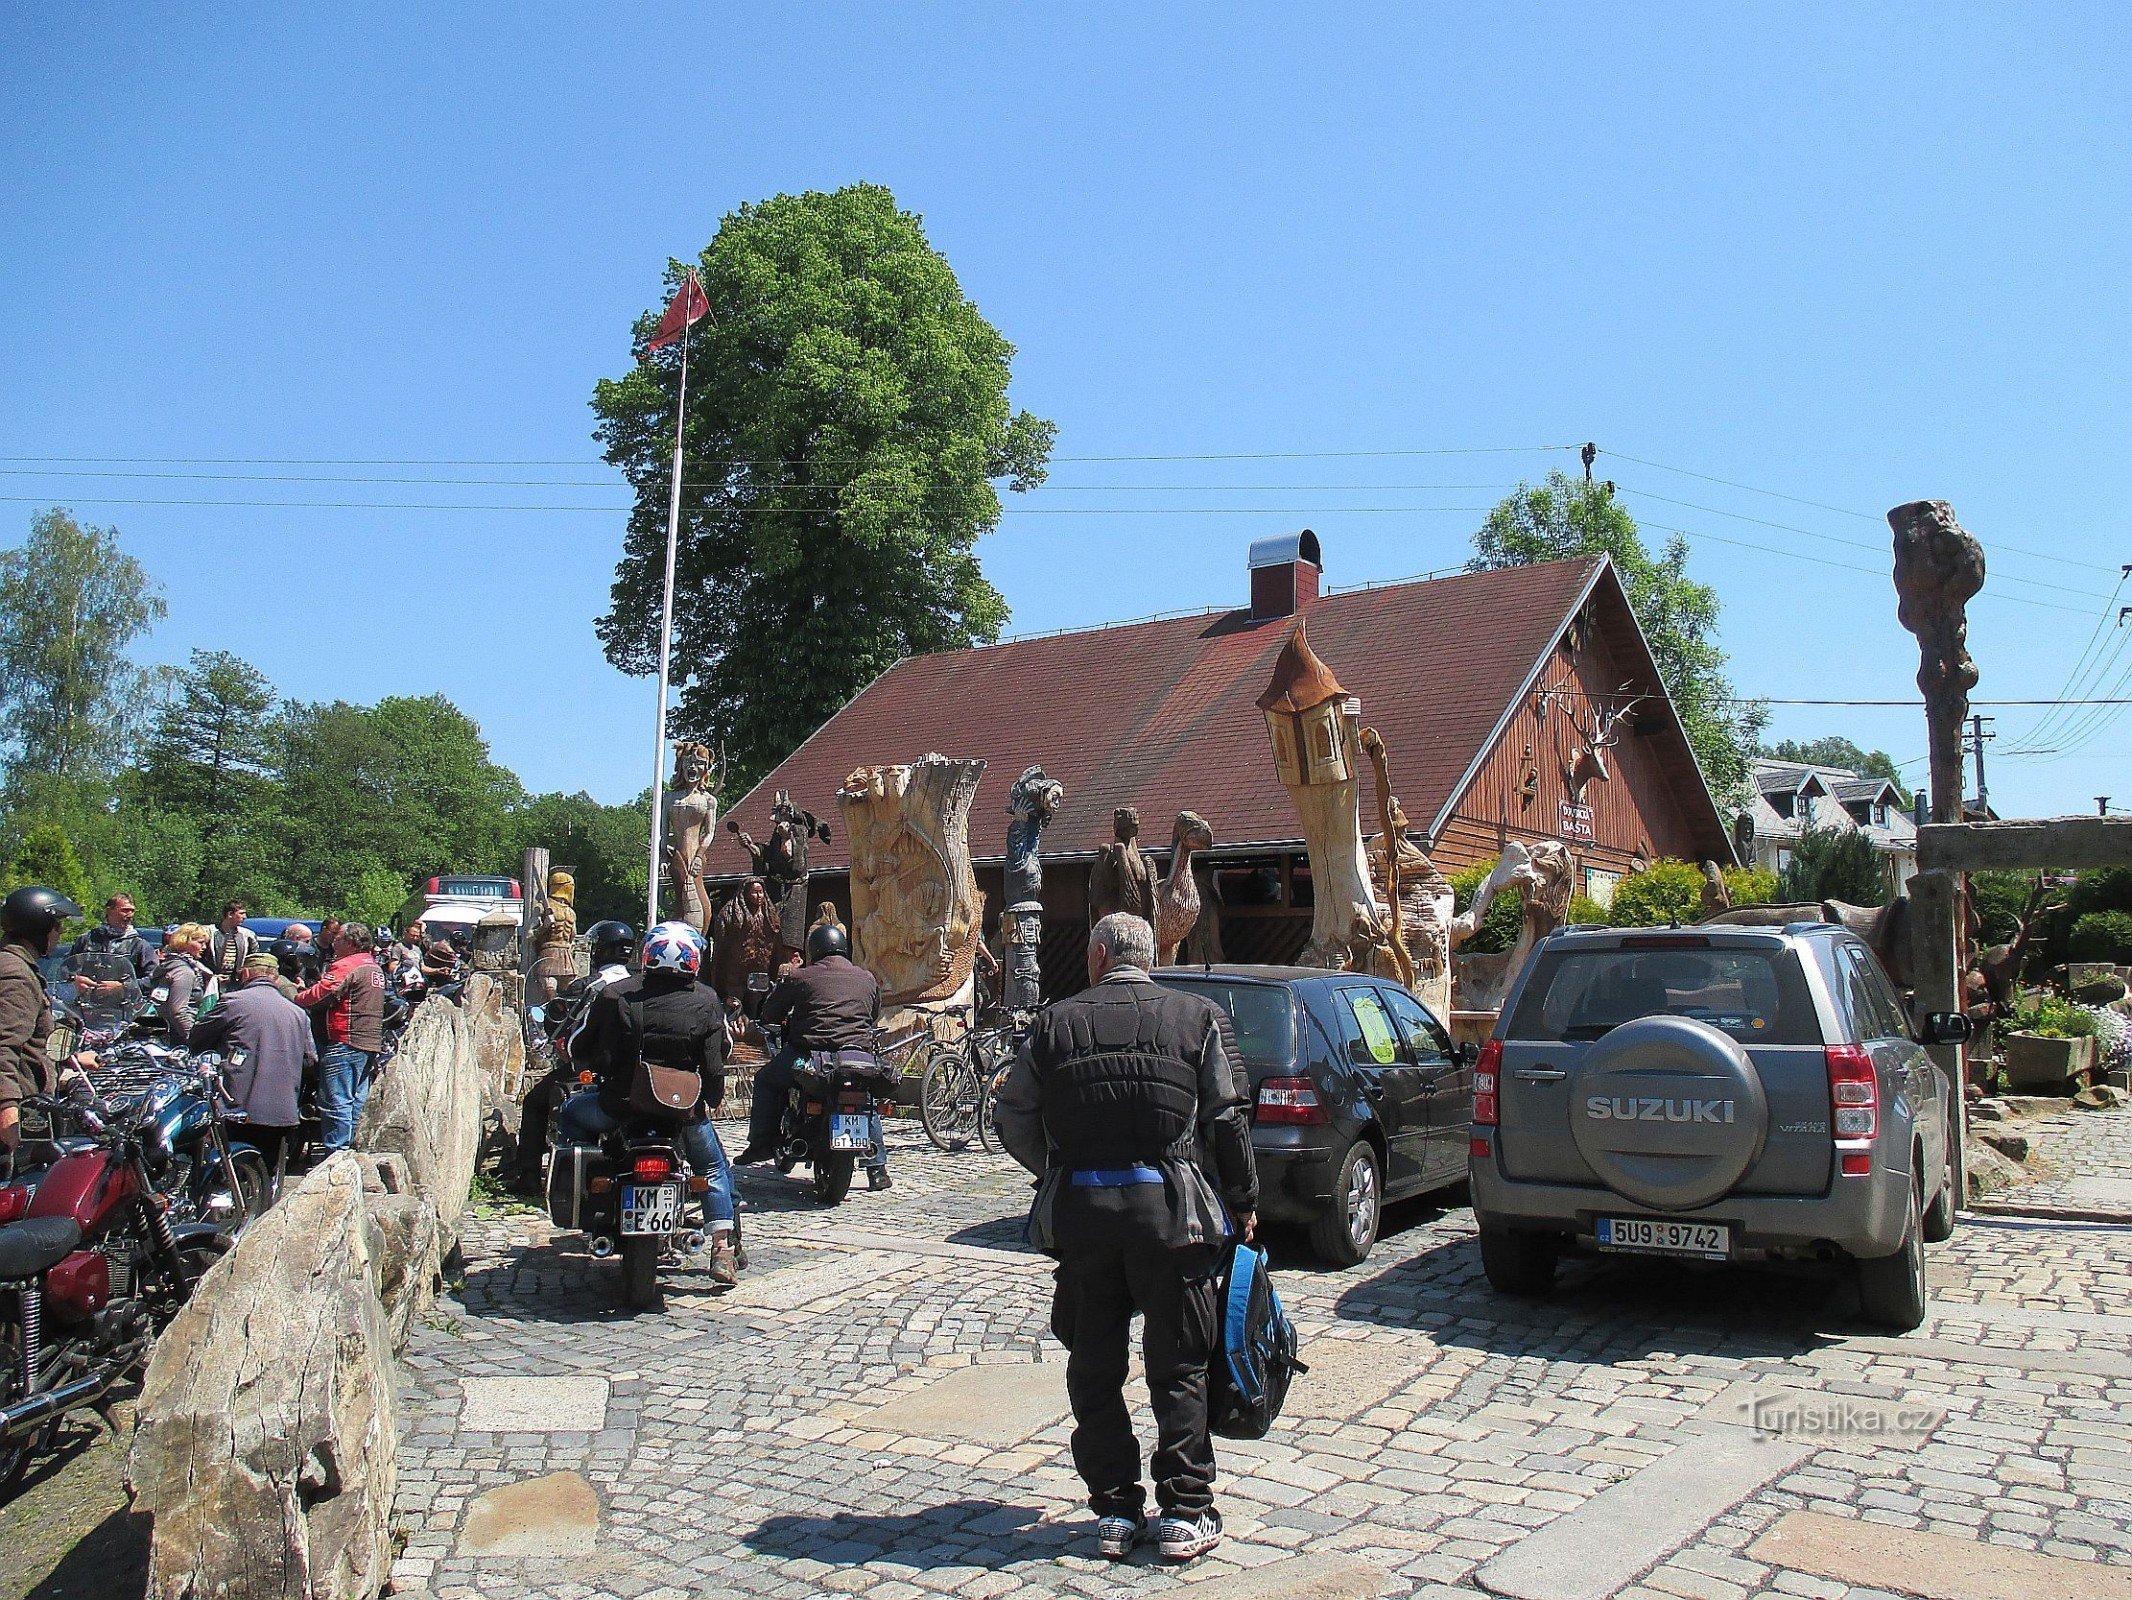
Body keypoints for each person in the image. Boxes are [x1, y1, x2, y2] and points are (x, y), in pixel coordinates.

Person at [990, 912, 1259, 1565]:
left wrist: (1054, 1173)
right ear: (1149, 953)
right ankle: (1185, 1513)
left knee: (1093, 1369)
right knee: (1181, 1368)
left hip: (1085, 1220)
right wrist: (1244, 1199)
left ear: (1100, 956)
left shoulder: (1053, 1024)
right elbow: (1228, 1117)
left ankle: (1114, 1510)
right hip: (1173, 1218)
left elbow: (1011, 1115)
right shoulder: (1195, 1017)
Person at [557, 923, 740, 1286]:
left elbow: (581, 1046)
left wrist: (597, 1065)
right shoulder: (706, 1000)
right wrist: (709, 1101)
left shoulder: (616, 994)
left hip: (619, 1107)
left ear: (647, 955)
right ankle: (722, 1247)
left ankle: (586, 1200)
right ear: (694, 960)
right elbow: (716, 1062)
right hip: (682, 1112)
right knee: (713, 1167)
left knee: (571, 1114)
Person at [737, 921, 891, 1190]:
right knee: (863, 1095)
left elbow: (771, 1013)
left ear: (814, 949)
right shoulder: (866, 978)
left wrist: (769, 1015)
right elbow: (873, 1013)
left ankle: (761, 1144)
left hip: (809, 1056)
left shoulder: (801, 977)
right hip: (857, 1056)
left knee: (766, 1080)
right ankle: (877, 1169)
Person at [513, 919, 635, 1194]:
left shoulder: (590, 986)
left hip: (591, 1067)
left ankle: (530, 1176)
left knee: (535, 1102)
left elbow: (561, 1024)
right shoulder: (637, 985)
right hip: (634, 1072)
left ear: (600, 950)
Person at [187, 952, 314, 1184]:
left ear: (245, 974)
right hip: (282, 1110)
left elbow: (196, 1039)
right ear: (275, 979)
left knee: (225, 1172)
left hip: (238, 1105)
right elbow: (310, 1060)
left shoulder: (233, 1002)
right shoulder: (298, 1014)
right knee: (267, 1171)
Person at [0, 887, 95, 1156]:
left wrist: (67, 1058)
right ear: (37, 927)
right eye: (56, 926)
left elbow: (29, 1037)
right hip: (19, 1112)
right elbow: (3, 1047)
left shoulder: (12, 963)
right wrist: (7, 1111)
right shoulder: (16, 975)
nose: (60, 932)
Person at [296, 921, 386, 1153]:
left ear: (349, 942)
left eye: (338, 939)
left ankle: (335, 1155)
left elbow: (319, 995)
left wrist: (294, 995)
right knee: (355, 1099)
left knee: (337, 1101)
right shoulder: (373, 966)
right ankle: (351, 1152)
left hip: (344, 1040)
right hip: (369, 1042)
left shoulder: (348, 964)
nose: (333, 943)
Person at [150, 922, 218, 1045]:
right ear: (185, 942)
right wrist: (193, 1040)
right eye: (200, 942)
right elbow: (178, 1011)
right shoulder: (184, 972)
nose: (204, 947)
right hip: (177, 1037)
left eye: (205, 943)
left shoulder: (170, 963)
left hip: (166, 1032)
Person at [208, 902, 258, 990]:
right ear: (230, 914)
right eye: (241, 913)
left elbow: (253, 959)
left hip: (235, 985)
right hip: (211, 984)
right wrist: (211, 976)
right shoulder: (209, 932)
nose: (245, 917)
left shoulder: (247, 935)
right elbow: (197, 960)